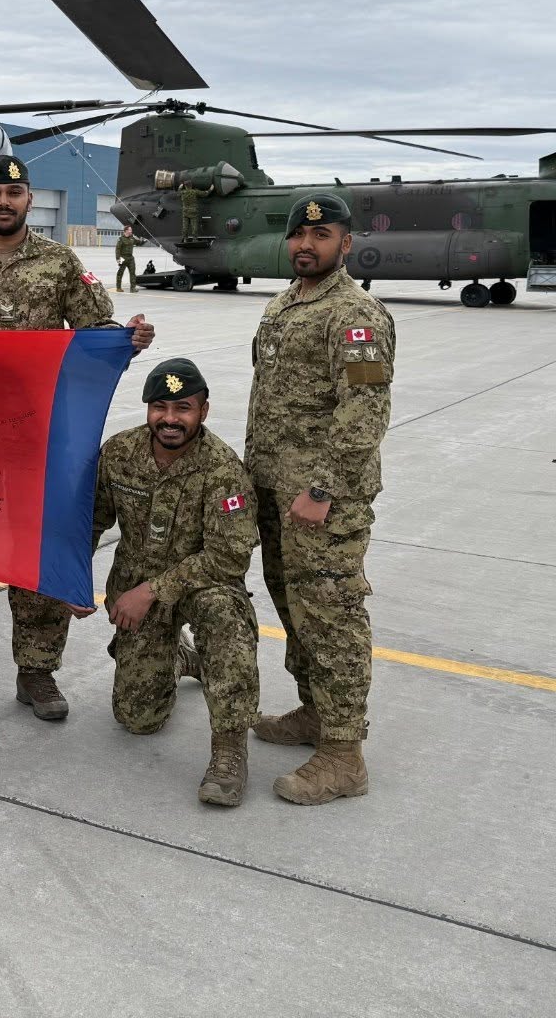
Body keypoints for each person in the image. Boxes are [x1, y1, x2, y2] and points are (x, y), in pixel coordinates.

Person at [0, 154, 155, 721]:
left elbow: (95, 332)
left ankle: (37, 672)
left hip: (37, 436)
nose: (4, 202)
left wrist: (126, 339)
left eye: (14, 193)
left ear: (28, 199)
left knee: (37, 544)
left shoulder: (60, 264)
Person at [246, 193, 394, 804]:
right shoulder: (284, 304)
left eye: (322, 235)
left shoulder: (355, 313)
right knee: (296, 610)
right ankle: (314, 711)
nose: (307, 245)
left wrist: (321, 489)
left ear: (345, 243)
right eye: (299, 236)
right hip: (277, 493)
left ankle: (343, 754)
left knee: (332, 618)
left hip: (323, 502)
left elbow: (365, 409)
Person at [81, 358, 259, 806]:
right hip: (135, 587)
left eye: (183, 408)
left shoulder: (223, 469)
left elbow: (228, 556)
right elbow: (91, 520)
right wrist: (74, 577)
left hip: (203, 586)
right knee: (137, 719)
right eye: (159, 407)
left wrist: (151, 591)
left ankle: (229, 750)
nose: (170, 419)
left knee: (226, 620)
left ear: (203, 411)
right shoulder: (120, 453)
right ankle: (179, 658)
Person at [114, 225, 138, 292]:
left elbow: (138, 243)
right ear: (126, 231)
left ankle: (133, 288)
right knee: (120, 273)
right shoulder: (121, 239)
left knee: (133, 273)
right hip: (122, 258)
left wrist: (142, 239)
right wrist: (118, 259)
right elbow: (117, 249)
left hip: (130, 258)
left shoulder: (132, 238)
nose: (131, 231)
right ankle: (118, 288)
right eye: (130, 230)